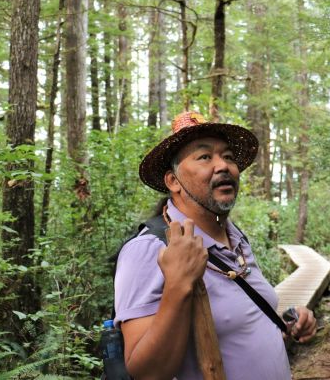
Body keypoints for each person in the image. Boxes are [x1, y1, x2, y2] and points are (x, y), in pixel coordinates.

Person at [114, 111, 317, 379]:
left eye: (228, 157)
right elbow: (147, 372)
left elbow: (242, 320)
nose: (223, 166)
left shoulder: (237, 238)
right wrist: (178, 285)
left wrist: (289, 321)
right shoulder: (149, 250)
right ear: (173, 181)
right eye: (204, 156)